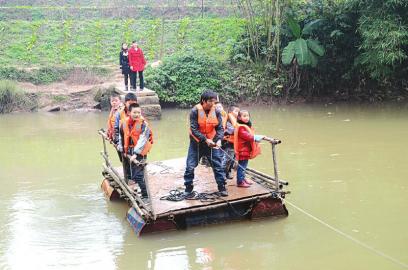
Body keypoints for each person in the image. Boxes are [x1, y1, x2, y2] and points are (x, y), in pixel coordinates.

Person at [184, 90, 228, 197]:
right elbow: (194, 129)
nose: (213, 104)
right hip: (197, 144)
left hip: (211, 144)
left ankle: (222, 188)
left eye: (214, 101)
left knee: (217, 165)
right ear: (203, 101)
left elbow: (220, 128)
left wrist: (217, 140)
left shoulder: (216, 111)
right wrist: (205, 139)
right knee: (190, 166)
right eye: (210, 101)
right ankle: (188, 189)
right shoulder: (195, 111)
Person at [122, 103, 153, 198]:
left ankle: (145, 195)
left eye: (138, 112)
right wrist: (121, 147)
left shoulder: (144, 124)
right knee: (135, 175)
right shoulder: (125, 122)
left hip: (140, 152)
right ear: (129, 113)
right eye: (134, 112)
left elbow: (143, 139)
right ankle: (143, 190)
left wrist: (135, 153)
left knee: (138, 175)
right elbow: (121, 134)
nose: (137, 114)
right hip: (130, 150)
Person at [234, 110, 265, 188]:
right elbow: (247, 136)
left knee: (244, 166)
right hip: (243, 150)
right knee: (242, 166)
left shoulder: (244, 126)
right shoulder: (241, 127)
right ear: (239, 117)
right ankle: (240, 181)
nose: (246, 117)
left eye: (247, 116)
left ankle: (243, 179)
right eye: (244, 116)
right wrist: (256, 137)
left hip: (245, 150)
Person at [114, 93, 138, 180]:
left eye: (134, 103)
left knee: (135, 161)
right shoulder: (119, 114)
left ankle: (135, 178)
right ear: (125, 103)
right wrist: (117, 142)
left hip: (134, 141)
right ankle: (128, 176)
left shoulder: (137, 113)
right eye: (129, 103)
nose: (131, 105)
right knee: (124, 159)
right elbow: (116, 129)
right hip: (123, 140)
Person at [223, 105, 240, 179]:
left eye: (238, 111)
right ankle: (223, 174)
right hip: (229, 143)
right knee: (227, 159)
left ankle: (227, 173)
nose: (238, 113)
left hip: (235, 143)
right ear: (230, 112)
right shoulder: (229, 121)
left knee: (232, 160)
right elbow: (231, 130)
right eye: (236, 111)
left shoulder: (237, 120)